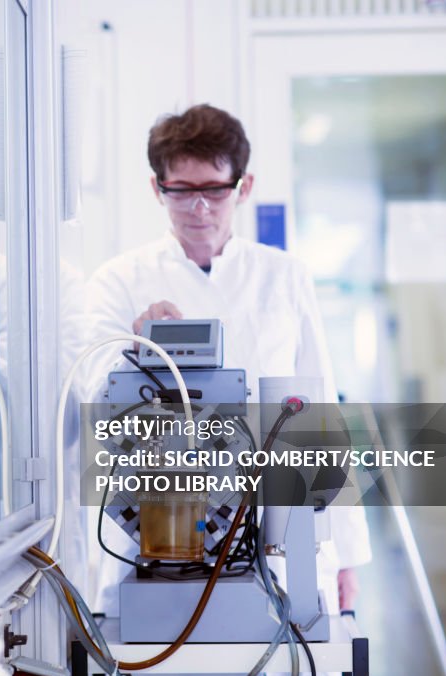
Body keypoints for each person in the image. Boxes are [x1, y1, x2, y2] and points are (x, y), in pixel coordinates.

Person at [84, 104, 371, 623]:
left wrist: (346, 555)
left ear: (244, 185)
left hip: (274, 542)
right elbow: (84, 394)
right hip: (159, 532)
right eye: (181, 190)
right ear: (157, 188)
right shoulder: (120, 281)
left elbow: (318, 414)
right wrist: (131, 348)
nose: (199, 207)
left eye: (215, 189)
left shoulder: (283, 277)